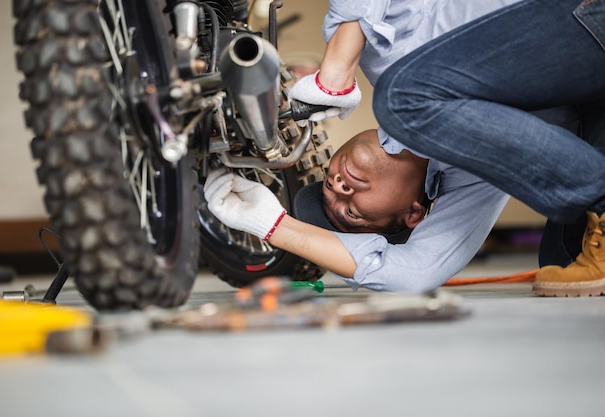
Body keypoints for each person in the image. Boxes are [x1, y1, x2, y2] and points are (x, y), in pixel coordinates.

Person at [204, 0, 605, 296]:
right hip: (591, 98)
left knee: (399, 98)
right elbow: (411, 274)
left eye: (327, 187)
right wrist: (273, 226)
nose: (339, 190)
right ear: (414, 214)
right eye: (354, 214)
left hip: (585, 18)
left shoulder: (382, 58)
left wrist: (337, 66)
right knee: (563, 260)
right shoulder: (475, 182)